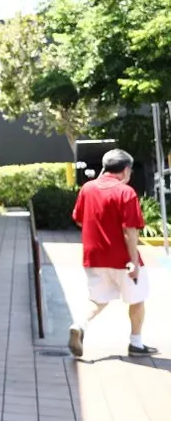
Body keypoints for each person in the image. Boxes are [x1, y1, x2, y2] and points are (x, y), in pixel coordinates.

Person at [68, 149, 158, 357]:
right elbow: (130, 231)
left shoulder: (87, 189)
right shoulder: (126, 193)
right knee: (137, 299)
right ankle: (136, 343)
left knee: (97, 299)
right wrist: (134, 262)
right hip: (122, 259)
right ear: (126, 170)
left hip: (94, 256)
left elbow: (80, 219)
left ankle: (79, 325)